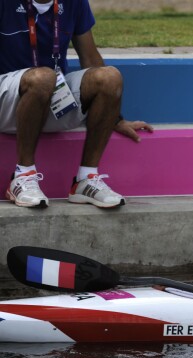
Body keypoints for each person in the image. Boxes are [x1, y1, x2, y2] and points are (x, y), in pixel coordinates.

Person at [0, 0, 154, 208]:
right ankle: (23, 176)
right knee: (43, 77)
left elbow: (90, 59)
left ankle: (86, 179)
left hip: (48, 95)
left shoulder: (74, 2)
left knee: (109, 77)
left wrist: (114, 118)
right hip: (6, 99)